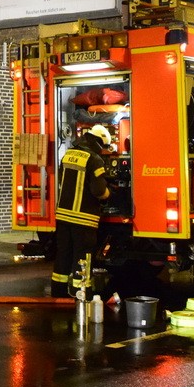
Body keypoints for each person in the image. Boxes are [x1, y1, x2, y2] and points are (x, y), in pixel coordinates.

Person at [50, 124, 112, 298]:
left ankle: (58, 293)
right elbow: (99, 191)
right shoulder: (95, 160)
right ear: (100, 143)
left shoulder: (68, 154)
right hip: (84, 219)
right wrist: (110, 194)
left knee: (63, 254)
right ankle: (82, 293)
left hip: (63, 216)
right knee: (82, 257)